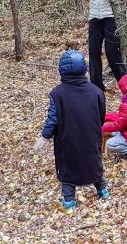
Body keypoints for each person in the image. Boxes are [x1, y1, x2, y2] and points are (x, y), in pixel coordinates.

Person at [35, 51, 110, 210]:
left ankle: (69, 201)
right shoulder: (96, 91)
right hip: (91, 137)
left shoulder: (57, 94)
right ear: (84, 68)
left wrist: (44, 136)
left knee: (69, 169)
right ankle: (103, 190)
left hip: (67, 140)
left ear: (62, 69)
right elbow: (101, 116)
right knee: (93, 163)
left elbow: (52, 120)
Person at [81, 0, 127, 91]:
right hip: (94, 16)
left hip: (111, 15)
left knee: (112, 52)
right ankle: (96, 90)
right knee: (93, 52)